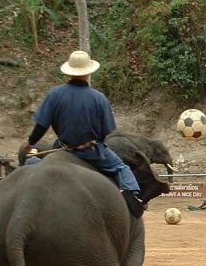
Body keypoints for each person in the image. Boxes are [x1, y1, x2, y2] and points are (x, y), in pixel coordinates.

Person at [18, 50, 145, 218]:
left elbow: (41, 126)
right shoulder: (99, 98)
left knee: (33, 161)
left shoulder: (54, 94)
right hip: (91, 151)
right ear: (88, 72)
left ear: (69, 72)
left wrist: (29, 144)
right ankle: (133, 195)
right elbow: (107, 132)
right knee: (121, 168)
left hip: (62, 149)